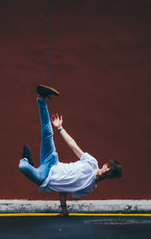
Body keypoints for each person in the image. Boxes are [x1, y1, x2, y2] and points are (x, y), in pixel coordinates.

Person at [19, 84, 122, 216]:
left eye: (110, 172)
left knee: (23, 167)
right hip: (53, 162)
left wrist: (63, 209)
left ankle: (27, 159)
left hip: (45, 177)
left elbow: (64, 188)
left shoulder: (88, 189)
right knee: (47, 132)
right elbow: (73, 146)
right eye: (108, 167)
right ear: (105, 165)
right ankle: (41, 97)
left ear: (110, 177)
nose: (106, 171)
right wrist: (60, 127)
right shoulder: (91, 162)